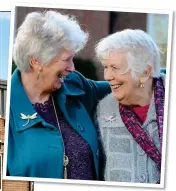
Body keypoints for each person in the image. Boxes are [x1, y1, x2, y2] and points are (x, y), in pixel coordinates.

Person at [7, 10, 111, 180]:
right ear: (37, 61)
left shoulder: (74, 85)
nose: (72, 68)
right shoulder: (7, 108)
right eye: (66, 59)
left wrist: (163, 77)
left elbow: (122, 84)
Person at [95, 29, 165, 183]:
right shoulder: (104, 108)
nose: (107, 76)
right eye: (105, 67)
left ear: (144, 73)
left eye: (115, 68)